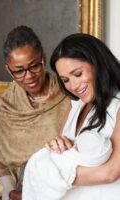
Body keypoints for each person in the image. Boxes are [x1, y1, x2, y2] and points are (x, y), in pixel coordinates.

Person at [24, 33, 120, 199]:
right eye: (65, 80)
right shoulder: (76, 106)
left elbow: (111, 172)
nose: (73, 86)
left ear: (98, 64)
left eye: (78, 74)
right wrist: (57, 146)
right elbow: (66, 156)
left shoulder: (117, 106)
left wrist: (45, 174)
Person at [0, 26, 70, 200]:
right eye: (19, 71)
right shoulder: (6, 104)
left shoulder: (68, 93)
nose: (29, 76)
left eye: (34, 66)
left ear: (44, 58)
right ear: (8, 70)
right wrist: (10, 191)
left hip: (65, 187)